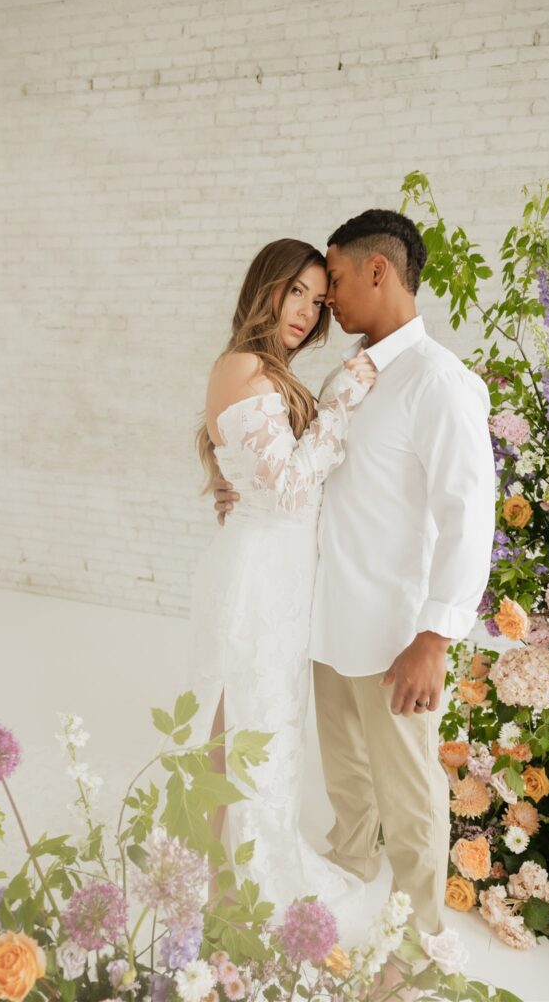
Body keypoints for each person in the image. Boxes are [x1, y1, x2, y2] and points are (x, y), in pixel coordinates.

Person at [214, 210, 496, 963]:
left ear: (378, 272)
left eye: (332, 280)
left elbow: (468, 516)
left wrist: (433, 637)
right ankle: (348, 878)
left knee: (408, 795)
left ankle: (419, 940)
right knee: (348, 786)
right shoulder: (353, 374)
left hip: (393, 634)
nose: (326, 301)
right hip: (326, 622)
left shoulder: (439, 382)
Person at [191, 237, 379, 946]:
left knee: (257, 727)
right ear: (262, 288)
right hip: (256, 578)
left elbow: (265, 476)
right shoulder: (243, 366)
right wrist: (340, 402)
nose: (304, 310)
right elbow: (291, 483)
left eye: (315, 297)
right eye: (292, 291)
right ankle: (221, 885)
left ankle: (223, 874)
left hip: (279, 571)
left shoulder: (266, 372)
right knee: (241, 724)